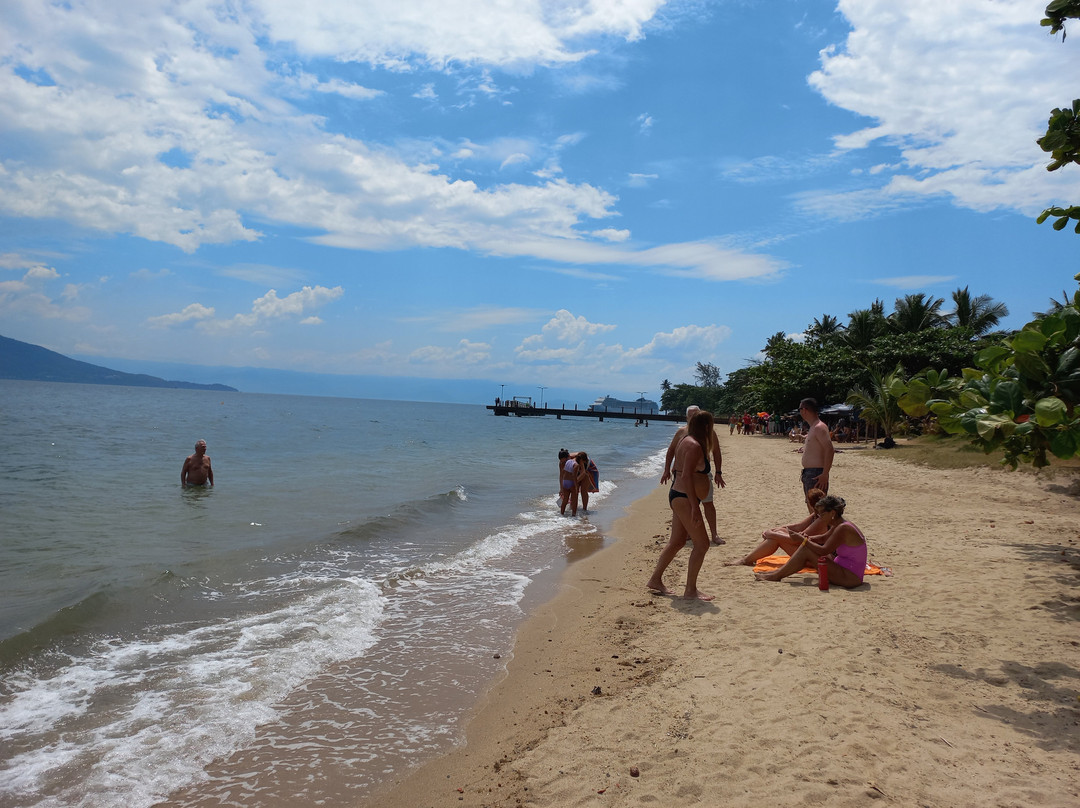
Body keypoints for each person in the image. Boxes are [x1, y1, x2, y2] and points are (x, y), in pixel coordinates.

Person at [646, 410, 716, 601]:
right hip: (685, 498)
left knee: (676, 542)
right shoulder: (693, 445)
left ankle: (655, 579)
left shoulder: (685, 440)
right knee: (702, 545)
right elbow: (685, 476)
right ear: (707, 427)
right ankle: (690, 590)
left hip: (680, 497)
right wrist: (695, 507)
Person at [754, 495, 868, 587]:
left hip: (850, 578)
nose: (820, 518)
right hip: (845, 570)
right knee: (806, 547)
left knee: (805, 549)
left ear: (832, 513)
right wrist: (806, 538)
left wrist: (803, 540)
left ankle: (776, 576)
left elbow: (823, 550)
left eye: (822, 515)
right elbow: (823, 538)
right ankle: (776, 574)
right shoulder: (839, 524)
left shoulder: (843, 528)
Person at [660, 405, 726, 544]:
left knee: (708, 504)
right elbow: (671, 451)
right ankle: (687, 532)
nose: (694, 417)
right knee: (683, 504)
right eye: (691, 415)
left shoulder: (709, 433)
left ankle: (714, 534)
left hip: (703, 475)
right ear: (687, 417)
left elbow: (716, 452)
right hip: (682, 476)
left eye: (696, 414)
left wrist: (718, 472)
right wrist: (666, 470)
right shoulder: (681, 432)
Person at [724, 488, 827, 567]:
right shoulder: (817, 515)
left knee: (775, 539)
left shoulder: (821, 520)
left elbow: (797, 540)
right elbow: (797, 526)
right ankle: (750, 557)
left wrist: (771, 533)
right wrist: (776, 529)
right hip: (810, 552)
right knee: (778, 532)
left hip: (815, 558)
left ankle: (746, 560)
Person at [799, 397, 833, 510]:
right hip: (811, 473)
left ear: (804, 410)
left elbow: (829, 449)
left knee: (818, 510)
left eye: (800, 409)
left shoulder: (819, 427)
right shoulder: (813, 427)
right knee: (813, 509)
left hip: (816, 474)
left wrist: (825, 473)